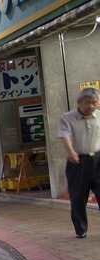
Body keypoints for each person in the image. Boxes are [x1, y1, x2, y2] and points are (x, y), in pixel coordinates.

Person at [57, 87, 100, 239]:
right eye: (87, 102)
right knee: (78, 197)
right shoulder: (67, 117)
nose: (91, 106)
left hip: (98, 159)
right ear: (79, 102)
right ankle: (81, 229)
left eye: (95, 102)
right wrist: (70, 151)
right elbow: (65, 135)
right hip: (78, 161)